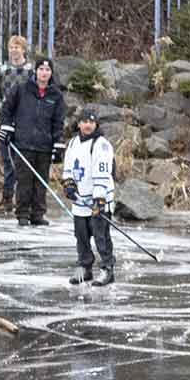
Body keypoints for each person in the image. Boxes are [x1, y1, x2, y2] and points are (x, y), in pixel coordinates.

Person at [0, 56, 65, 227]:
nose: (44, 73)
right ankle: (22, 213)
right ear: (35, 71)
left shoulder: (56, 95)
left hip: (44, 145)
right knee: (24, 180)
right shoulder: (21, 89)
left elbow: (58, 122)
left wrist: (58, 145)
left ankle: (38, 214)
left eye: (47, 70)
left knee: (41, 181)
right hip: (23, 143)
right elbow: (6, 110)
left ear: (51, 73)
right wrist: (7, 129)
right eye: (41, 69)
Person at [62, 107, 116, 286]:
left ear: (96, 124)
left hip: (97, 201)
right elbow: (68, 168)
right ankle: (84, 268)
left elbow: (103, 174)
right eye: (84, 121)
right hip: (80, 201)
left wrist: (99, 199)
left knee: (101, 236)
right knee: (81, 236)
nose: (87, 125)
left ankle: (107, 269)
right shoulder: (73, 143)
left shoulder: (101, 145)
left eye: (91, 122)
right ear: (78, 124)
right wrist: (68, 183)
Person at [0, 35, 32, 214]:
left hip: (25, 122)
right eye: (11, 47)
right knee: (8, 161)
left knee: (23, 161)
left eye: (17, 47)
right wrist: (3, 107)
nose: (14, 50)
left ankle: (25, 200)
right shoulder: (2, 69)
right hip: (6, 121)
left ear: (23, 49)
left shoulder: (30, 71)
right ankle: (7, 197)